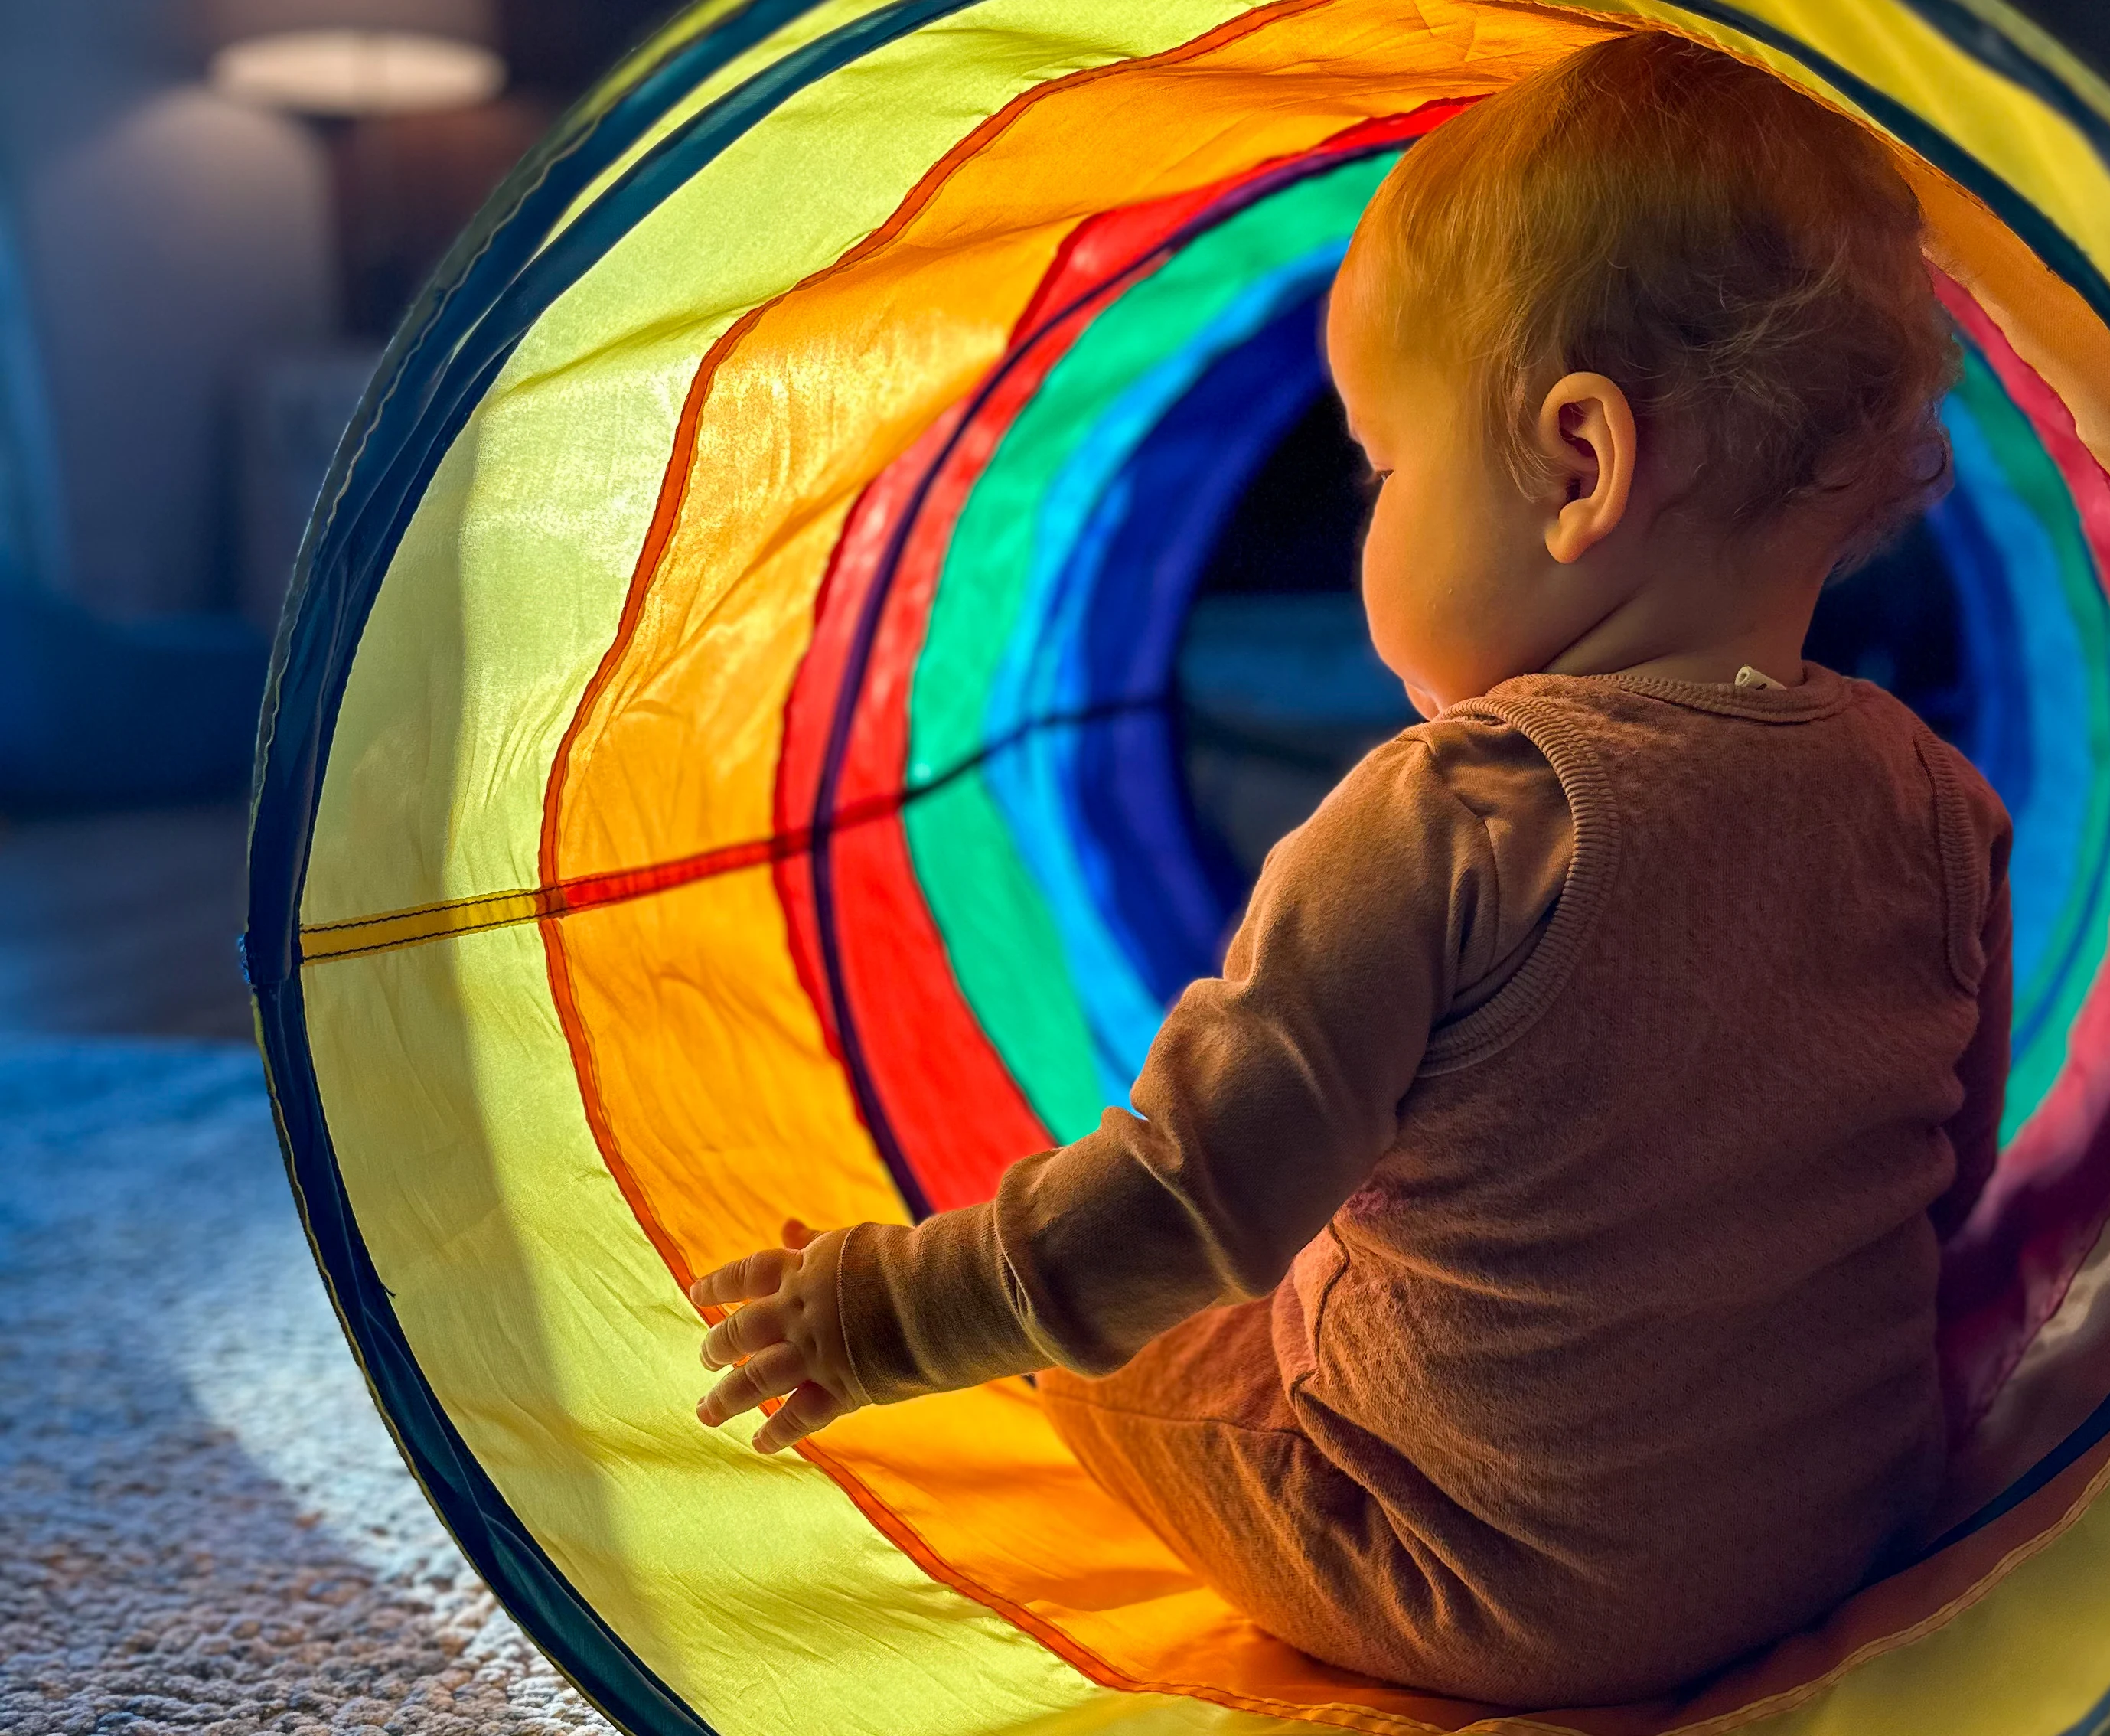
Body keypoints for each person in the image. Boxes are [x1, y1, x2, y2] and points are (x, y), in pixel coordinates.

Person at [685, 28, 2011, 1708]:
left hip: (1476, 1592)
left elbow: (1190, 1194)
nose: (1370, 510)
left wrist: (895, 1313)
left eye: (1382, 467)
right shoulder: (1939, 800)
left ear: (1581, 466)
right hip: (1844, 1529)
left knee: (1118, 1331)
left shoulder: (1457, 814)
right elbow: (1939, 1175)